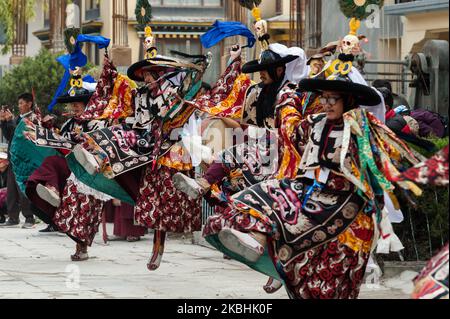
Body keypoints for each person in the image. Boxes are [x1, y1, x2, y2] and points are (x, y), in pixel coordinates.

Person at [203, 72, 422, 299]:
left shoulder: (363, 127)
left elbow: (387, 164)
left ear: (348, 99)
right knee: (264, 195)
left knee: (331, 285)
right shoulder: (314, 124)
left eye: (332, 99)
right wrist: (290, 98)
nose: (325, 104)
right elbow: (289, 131)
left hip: (349, 212)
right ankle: (257, 239)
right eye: (323, 98)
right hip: (313, 197)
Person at [0, 94, 39, 228]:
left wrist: (10, 121)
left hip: (25, 159)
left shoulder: (33, 118)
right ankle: (13, 217)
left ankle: (29, 218)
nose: (19, 105)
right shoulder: (17, 118)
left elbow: (19, 134)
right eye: (19, 103)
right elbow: (9, 136)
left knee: (23, 189)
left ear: (29, 103)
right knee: (11, 189)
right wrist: (4, 122)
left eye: (22, 103)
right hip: (13, 157)